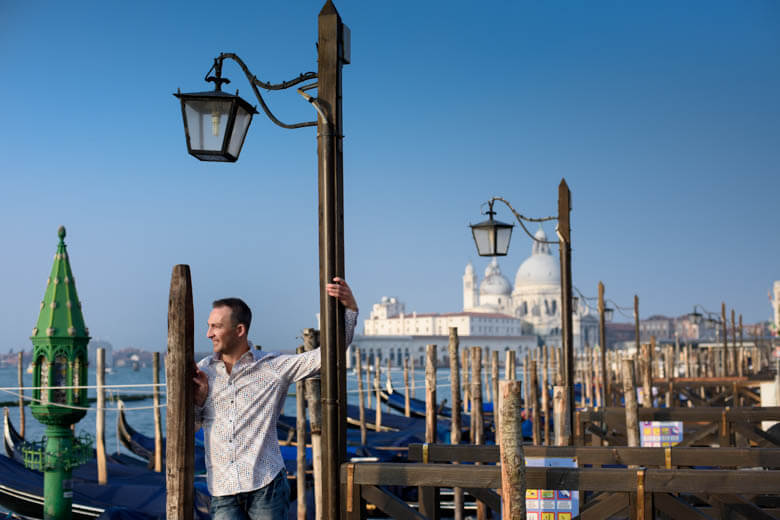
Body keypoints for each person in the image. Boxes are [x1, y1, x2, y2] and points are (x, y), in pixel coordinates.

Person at [193, 277, 359, 520]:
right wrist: (198, 400)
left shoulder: (272, 368)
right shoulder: (203, 372)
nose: (208, 334)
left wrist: (351, 310)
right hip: (222, 490)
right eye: (208, 326)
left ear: (239, 330)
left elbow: (327, 356)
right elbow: (194, 426)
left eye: (216, 326)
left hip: (266, 487)